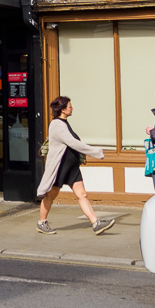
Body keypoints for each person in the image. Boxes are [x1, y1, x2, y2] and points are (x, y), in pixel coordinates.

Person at [36, 96, 115, 236]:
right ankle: (42, 222)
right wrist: (96, 152)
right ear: (63, 109)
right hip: (60, 167)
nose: (72, 109)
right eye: (70, 106)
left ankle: (96, 223)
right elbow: (73, 143)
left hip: (71, 168)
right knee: (51, 195)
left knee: (82, 194)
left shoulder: (65, 123)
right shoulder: (56, 125)